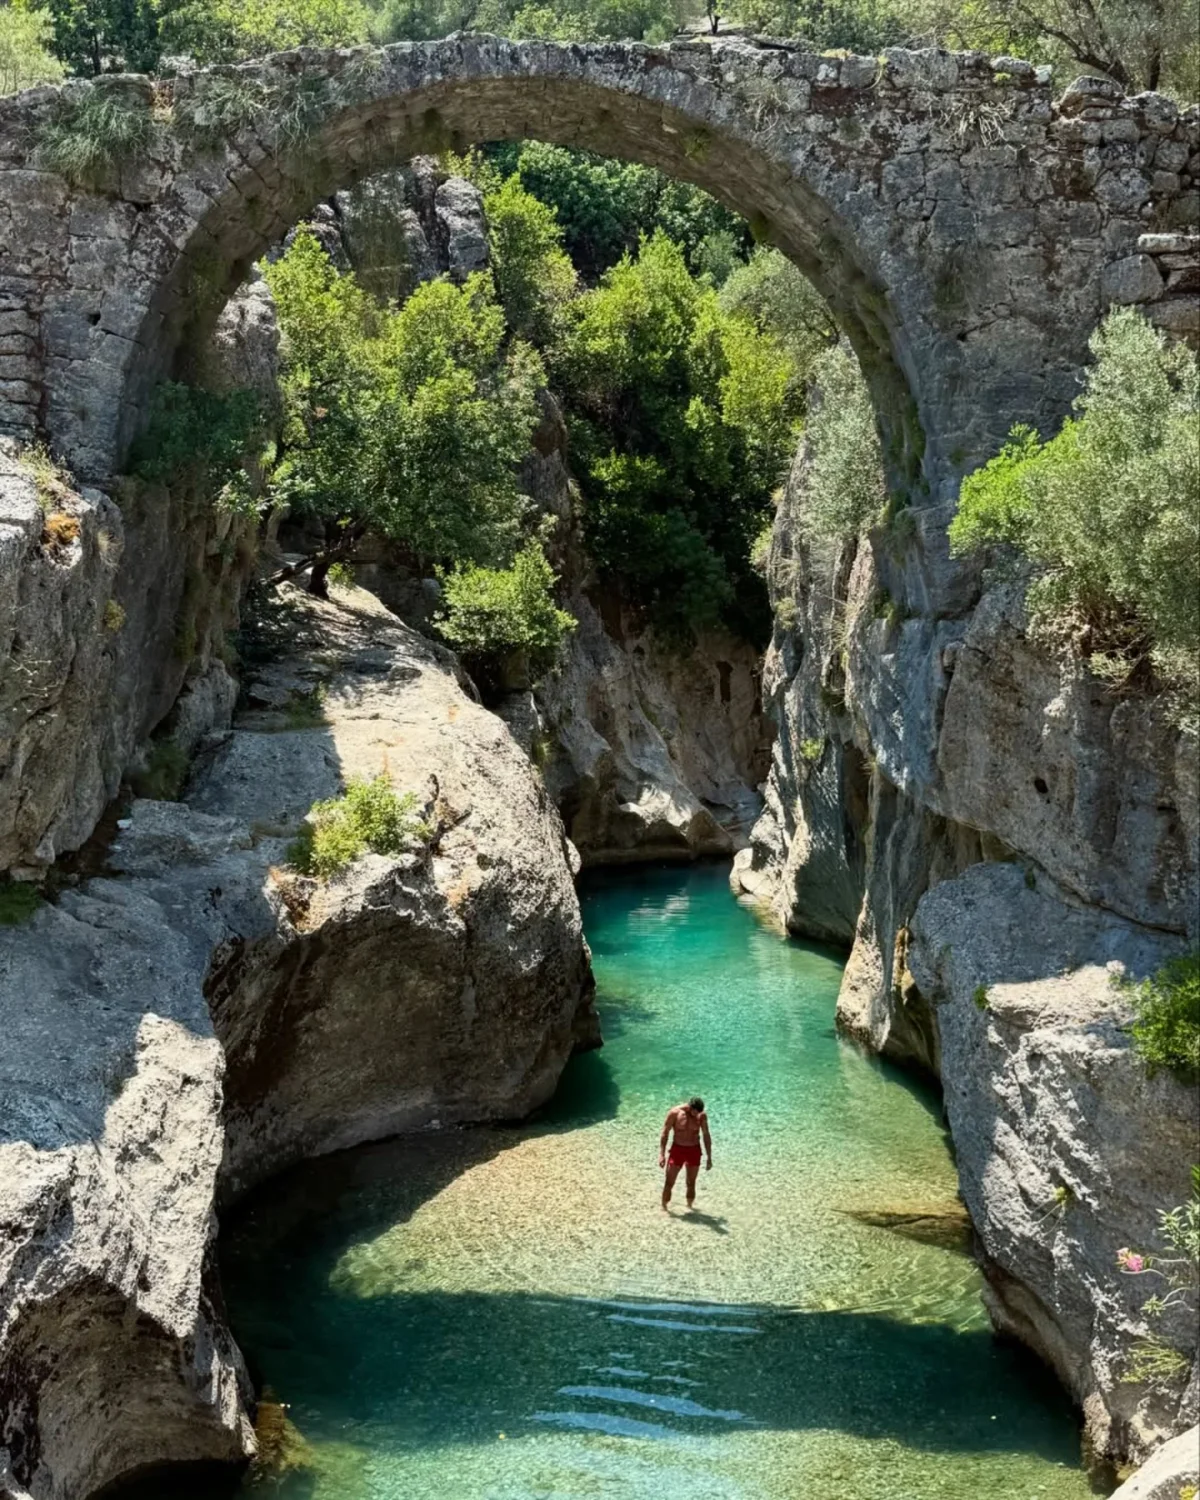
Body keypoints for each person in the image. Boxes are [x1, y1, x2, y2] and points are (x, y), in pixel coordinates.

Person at [659, 1096, 712, 1212]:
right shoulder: (675, 1113)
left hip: (694, 1150)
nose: (697, 1115)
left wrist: (709, 1157)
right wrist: (662, 1154)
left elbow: (706, 1135)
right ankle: (664, 1209)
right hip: (678, 1150)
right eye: (695, 1112)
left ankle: (690, 1209)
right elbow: (665, 1133)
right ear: (690, 1107)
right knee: (669, 1182)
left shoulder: (701, 1115)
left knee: (691, 1182)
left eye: (699, 1112)